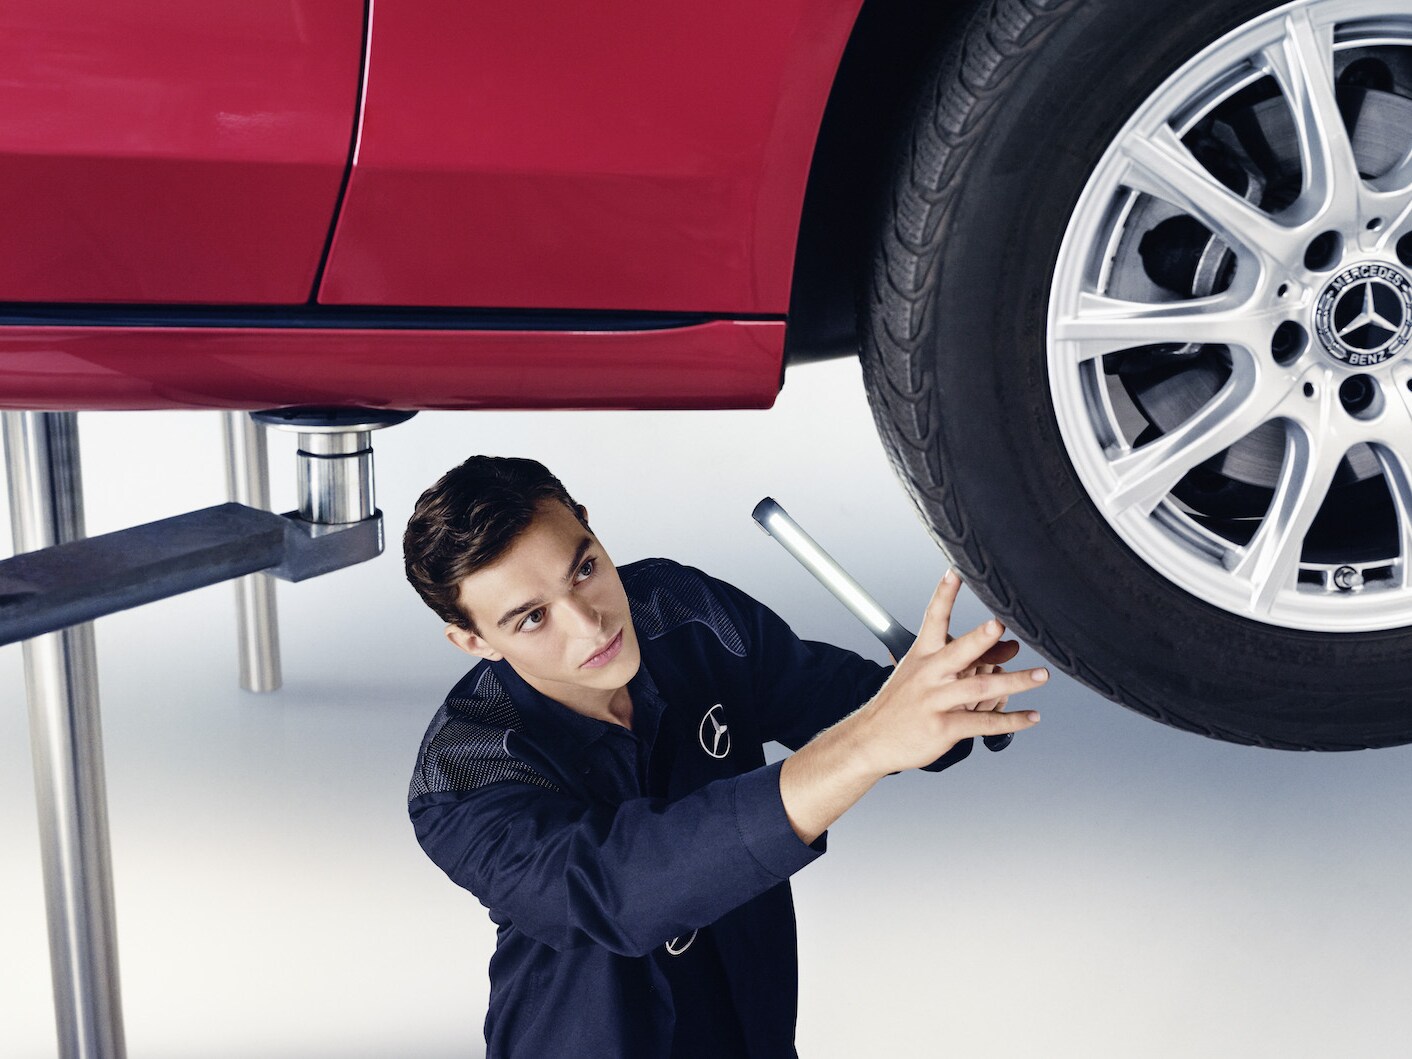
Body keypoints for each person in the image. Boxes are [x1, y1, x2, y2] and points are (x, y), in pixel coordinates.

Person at [402, 456, 1045, 1058]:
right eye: (532, 619)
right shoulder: (459, 776)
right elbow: (617, 888)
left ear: (590, 527)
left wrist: (942, 695)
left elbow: (842, 703)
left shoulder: (683, 609)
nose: (590, 624)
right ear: (473, 641)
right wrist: (874, 738)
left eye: (585, 570)